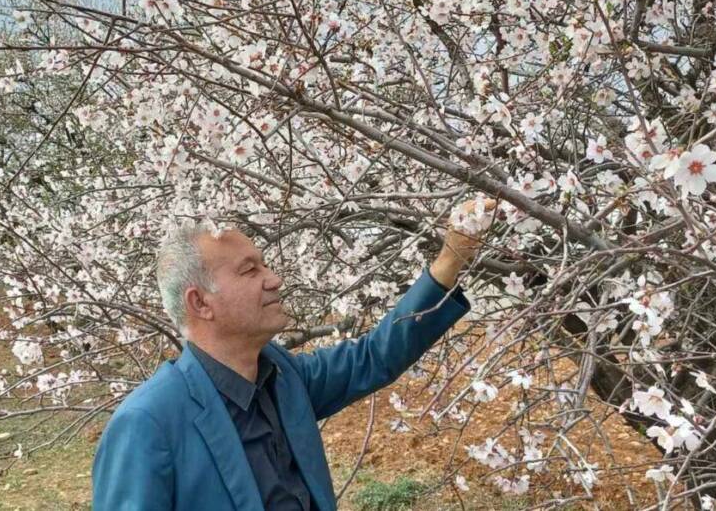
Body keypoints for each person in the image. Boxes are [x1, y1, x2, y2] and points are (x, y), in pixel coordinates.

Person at [92, 198, 497, 511]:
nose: (274, 280)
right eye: (250, 271)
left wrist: (452, 257)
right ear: (200, 303)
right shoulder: (148, 424)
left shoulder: (283, 376)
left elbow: (375, 357)